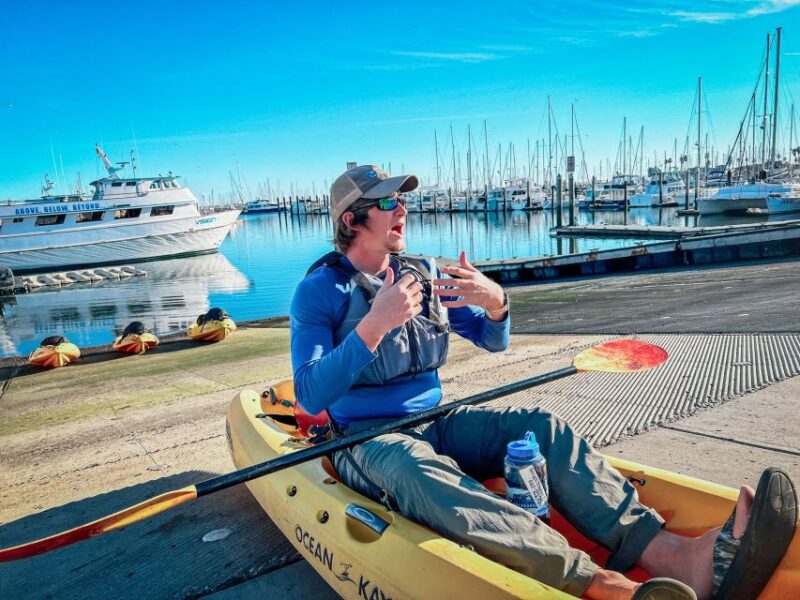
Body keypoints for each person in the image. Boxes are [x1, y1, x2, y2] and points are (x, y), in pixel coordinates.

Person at [289, 164, 797, 600]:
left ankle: (675, 556)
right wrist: (375, 324)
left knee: (541, 426)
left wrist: (497, 304)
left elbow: (492, 340)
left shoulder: (420, 273)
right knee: (413, 471)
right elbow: (310, 393)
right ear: (353, 219)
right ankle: (595, 581)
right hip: (368, 439)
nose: (403, 208)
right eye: (388, 201)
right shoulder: (319, 291)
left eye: (403, 198)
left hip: (436, 422)